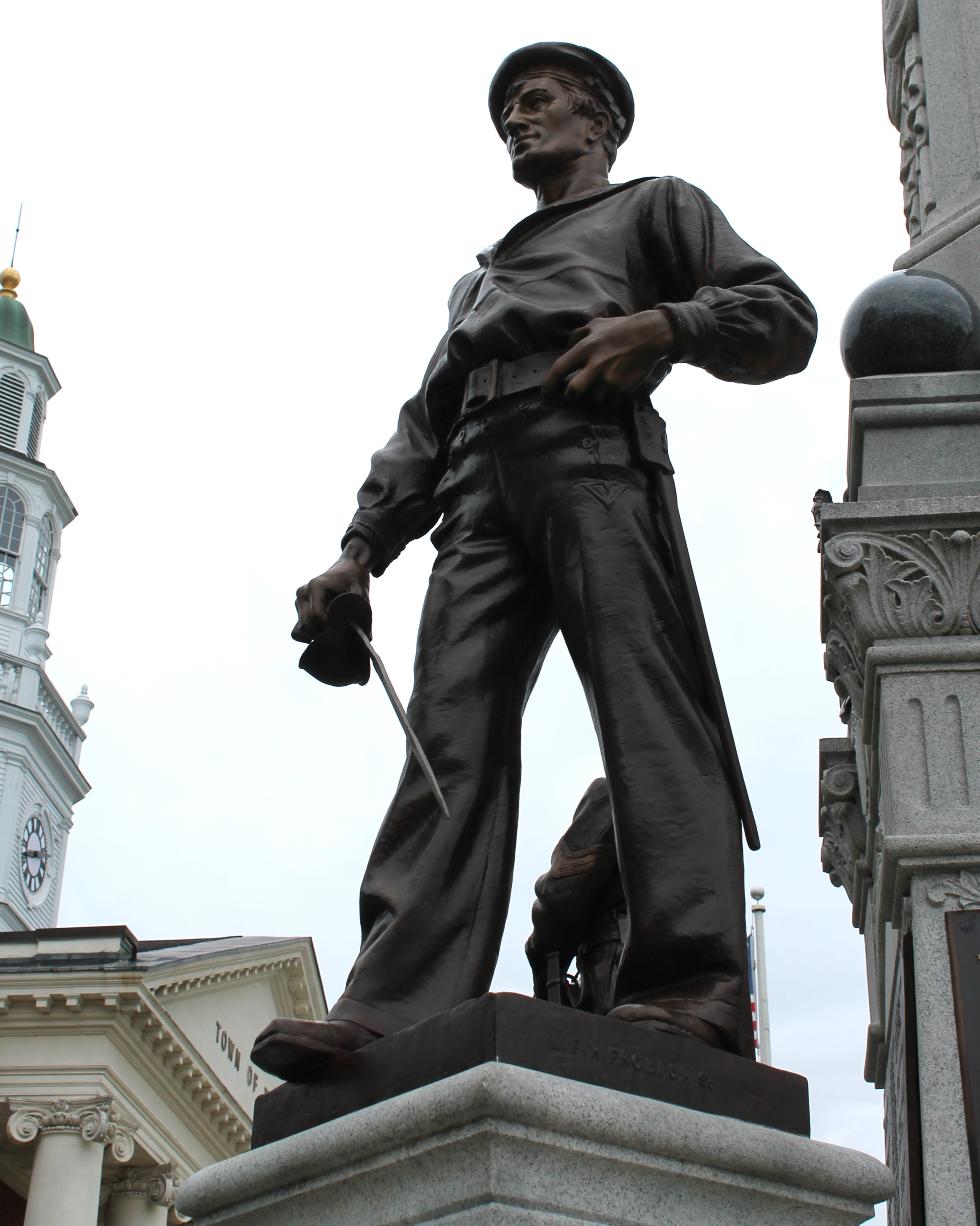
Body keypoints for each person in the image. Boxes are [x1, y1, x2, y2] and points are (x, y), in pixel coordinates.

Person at [252, 42, 816, 1079]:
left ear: (597, 120)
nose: (517, 120)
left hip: (590, 451)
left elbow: (780, 317)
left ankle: (688, 983)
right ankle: (394, 997)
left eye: (538, 101)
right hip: (475, 477)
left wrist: (666, 323)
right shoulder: (478, 279)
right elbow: (421, 422)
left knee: (648, 711)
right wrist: (358, 549)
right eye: (508, 108)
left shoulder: (657, 207)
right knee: (446, 731)